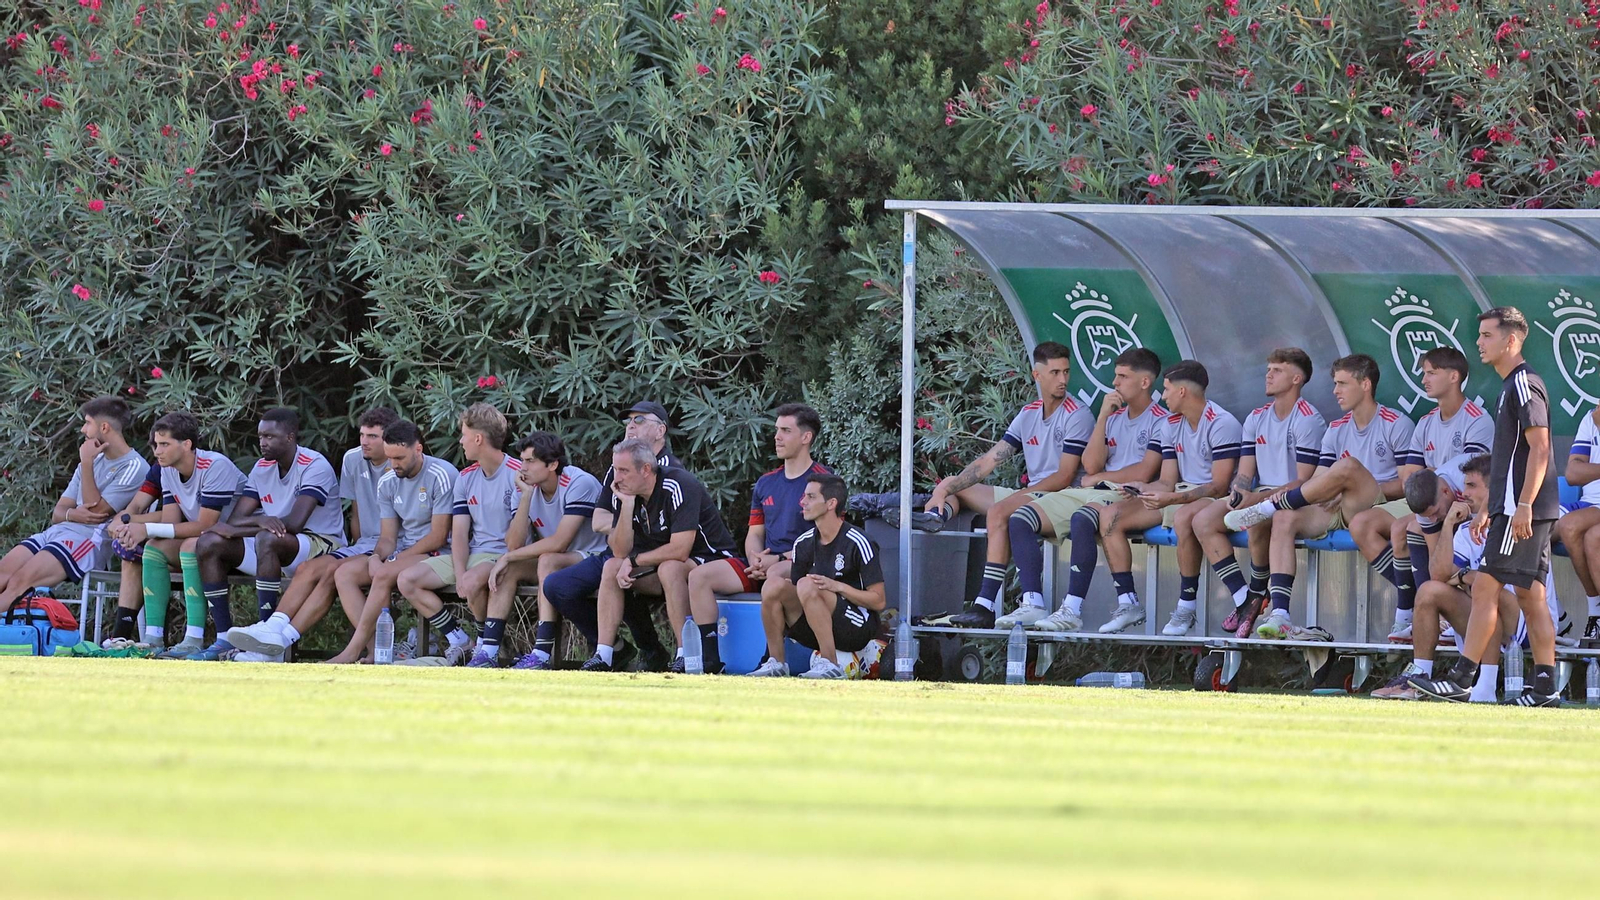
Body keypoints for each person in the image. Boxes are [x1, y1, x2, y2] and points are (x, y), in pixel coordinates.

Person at [1410, 307, 1563, 706]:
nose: (1478, 342)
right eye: (1479, 335)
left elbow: (1541, 448)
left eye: (1487, 335)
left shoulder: (1524, 384)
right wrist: (1486, 510)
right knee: (1531, 596)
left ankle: (1462, 678)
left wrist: (1522, 504)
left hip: (1520, 510)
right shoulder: (1509, 386)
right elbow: (1508, 460)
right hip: (1512, 508)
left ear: (1511, 340)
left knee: (1486, 586)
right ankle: (1545, 688)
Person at [957, 347, 1166, 630]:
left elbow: (1144, 472)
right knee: (1020, 519)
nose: (1115, 383)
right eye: (1116, 376)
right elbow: (1090, 465)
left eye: (1122, 376)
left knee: (1081, 519)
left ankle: (1072, 610)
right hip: (1090, 490)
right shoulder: (1113, 418)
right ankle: (1032, 604)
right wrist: (1103, 417)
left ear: (1144, 382)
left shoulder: (1160, 419)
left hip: (1123, 494)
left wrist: (1100, 476)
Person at [897, 343, 1093, 629]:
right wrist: (943, 490)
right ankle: (936, 516)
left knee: (1000, 511)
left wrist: (1017, 498)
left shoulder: (1078, 414)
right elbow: (990, 459)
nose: (1063, 379)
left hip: (1061, 497)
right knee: (955, 485)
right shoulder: (1029, 413)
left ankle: (988, 604)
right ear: (1037, 375)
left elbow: (1064, 477)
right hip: (1034, 494)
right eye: (1055, 372)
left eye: (1066, 372)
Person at [1037, 360, 1240, 634]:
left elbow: (1218, 486)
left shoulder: (1221, 422)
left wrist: (1169, 498)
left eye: (1167, 390)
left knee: (1183, 517)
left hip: (1209, 499)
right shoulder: (1170, 423)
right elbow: (1167, 481)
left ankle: (1186, 606)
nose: (1163, 396)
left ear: (1182, 392)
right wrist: (1142, 488)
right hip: (1179, 494)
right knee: (1110, 516)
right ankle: (1128, 602)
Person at [1223, 354, 1415, 641]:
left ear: (1365, 384)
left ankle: (1268, 505)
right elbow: (1318, 481)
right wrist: (1337, 487)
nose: (1335, 391)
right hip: (1342, 505)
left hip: (1379, 504)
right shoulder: (1336, 428)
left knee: (1348, 467)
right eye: (1335, 384)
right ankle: (1280, 614)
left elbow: (1406, 484)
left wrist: (1349, 484)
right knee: (1285, 518)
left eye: (1342, 384)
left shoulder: (1395, 423)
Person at [1372, 455, 1557, 701]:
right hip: (1487, 616)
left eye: (1471, 485)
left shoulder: (1515, 523)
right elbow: (1439, 575)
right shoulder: (1466, 528)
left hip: (1526, 624)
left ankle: (1485, 687)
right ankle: (1418, 677)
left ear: (1493, 490)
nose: (1464, 492)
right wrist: (1448, 524)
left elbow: (1494, 583)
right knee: (1429, 590)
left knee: (1487, 592)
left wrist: (1462, 577)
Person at [225, 407, 398, 660]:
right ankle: (273, 632)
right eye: (362, 435)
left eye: (372, 436)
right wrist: (357, 544)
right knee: (310, 569)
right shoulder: (353, 459)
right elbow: (357, 511)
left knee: (334, 572)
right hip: (365, 544)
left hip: (393, 545)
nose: (364, 441)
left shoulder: (401, 463)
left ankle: (279, 642)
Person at [1345, 347, 1492, 642]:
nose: (1424, 379)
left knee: (1407, 528)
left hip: (1464, 502)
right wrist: (1432, 477)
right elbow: (1409, 478)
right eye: (1424, 373)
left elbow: (1475, 477)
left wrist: (1433, 476)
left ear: (1454, 376)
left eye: (1431, 373)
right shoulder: (1425, 422)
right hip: (1429, 496)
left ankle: (1421, 611)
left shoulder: (1478, 419)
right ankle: (1417, 607)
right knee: (1361, 524)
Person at [180, 408, 345, 661]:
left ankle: (265, 638)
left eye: (270, 436)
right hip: (272, 547)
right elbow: (237, 519)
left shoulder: (314, 465)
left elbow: (295, 523)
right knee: (210, 542)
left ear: (290, 437)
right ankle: (223, 638)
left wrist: (243, 528)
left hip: (319, 545)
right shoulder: (261, 467)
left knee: (267, 538)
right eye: (260, 436)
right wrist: (259, 520)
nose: (263, 442)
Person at [560, 439, 738, 672]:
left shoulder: (677, 484)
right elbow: (619, 551)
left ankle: (685, 654)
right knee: (612, 566)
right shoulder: (624, 491)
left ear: (645, 469)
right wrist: (626, 506)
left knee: (670, 568)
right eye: (615, 470)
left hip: (710, 558)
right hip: (662, 565)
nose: (616, 478)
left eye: (624, 471)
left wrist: (634, 561)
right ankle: (604, 654)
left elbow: (680, 549)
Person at [1188, 349, 1326, 638]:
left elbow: (1305, 482)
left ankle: (1257, 591)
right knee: (1202, 521)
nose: (1268, 375)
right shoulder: (1256, 417)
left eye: (1277, 370)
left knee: (1259, 521)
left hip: (1293, 501)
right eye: (1268, 369)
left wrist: (1257, 499)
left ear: (1296, 379)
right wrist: (1239, 492)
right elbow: (1245, 473)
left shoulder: (1308, 419)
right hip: (1260, 496)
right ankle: (1244, 598)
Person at [687, 403, 830, 668]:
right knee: (698, 576)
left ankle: (770, 658)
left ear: (806, 437)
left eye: (785, 430)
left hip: (802, 565)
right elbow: (755, 533)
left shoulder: (824, 481)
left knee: (774, 575)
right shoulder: (766, 482)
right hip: (765, 564)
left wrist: (778, 560)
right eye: (777, 430)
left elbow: (828, 539)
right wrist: (755, 559)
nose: (777, 437)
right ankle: (710, 662)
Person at [540, 400, 680, 671]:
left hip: (653, 558)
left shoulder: (671, 471)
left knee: (621, 574)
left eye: (640, 420)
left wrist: (630, 528)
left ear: (660, 430)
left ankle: (651, 650)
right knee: (557, 586)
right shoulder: (618, 466)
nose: (631, 426)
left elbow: (665, 530)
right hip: (617, 550)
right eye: (629, 420)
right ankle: (616, 649)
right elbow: (599, 520)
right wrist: (625, 526)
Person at [389, 404, 520, 666]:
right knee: (407, 580)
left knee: (471, 581)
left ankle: (483, 645)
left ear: (478, 439)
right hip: (473, 555)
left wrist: (466, 577)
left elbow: (517, 540)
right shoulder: (465, 477)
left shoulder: (517, 473)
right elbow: (459, 533)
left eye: (464, 434)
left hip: (503, 556)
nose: (461, 441)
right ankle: (459, 638)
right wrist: (460, 572)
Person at [105, 412, 242, 657]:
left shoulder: (215, 465)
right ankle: (153, 638)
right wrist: (136, 530)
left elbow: (205, 525)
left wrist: (145, 528)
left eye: (165, 444)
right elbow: (171, 523)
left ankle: (193, 639)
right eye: (156, 444)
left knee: (189, 545)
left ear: (186, 444)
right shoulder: (167, 470)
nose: (157, 451)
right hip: (206, 544)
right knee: (154, 548)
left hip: (242, 544)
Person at [323, 420, 457, 665]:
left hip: (440, 552)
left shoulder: (441, 474)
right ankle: (378, 650)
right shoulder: (387, 482)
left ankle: (351, 651)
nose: (393, 464)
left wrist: (394, 560)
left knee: (384, 574)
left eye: (399, 458)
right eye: (389, 458)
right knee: (344, 574)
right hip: (405, 552)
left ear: (418, 449)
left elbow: (438, 536)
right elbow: (387, 538)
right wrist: (376, 557)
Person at [0, 397, 149, 610]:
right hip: (58, 532)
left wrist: (86, 463)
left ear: (104, 427)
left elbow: (95, 511)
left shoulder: (133, 466)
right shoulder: (91, 461)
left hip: (88, 540)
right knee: (3, 573)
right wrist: (72, 514)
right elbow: (58, 513)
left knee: (19, 583)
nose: (82, 430)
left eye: (87, 423)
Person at [481, 431, 606, 669]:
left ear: (552, 464)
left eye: (530, 461)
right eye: (521, 460)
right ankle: (487, 652)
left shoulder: (579, 483)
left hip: (594, 555)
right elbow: (514, 545)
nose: (522, 468)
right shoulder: (525, 488)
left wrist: (508, 556)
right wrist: (526, 497)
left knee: (547, 560)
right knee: (510, 568)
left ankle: (541, 653)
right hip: (559, 558)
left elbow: (559, 542)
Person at [748, 473, 885, 679]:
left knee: (808, 584)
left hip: (857, 628)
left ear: (831, 503)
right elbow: (797, 591)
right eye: (804, 496)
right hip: (815, 625)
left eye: (811, 497)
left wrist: (837, 587)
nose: (803, 502)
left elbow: (879, 601)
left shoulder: (859, 541)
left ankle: (830, 664)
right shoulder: (802, 543)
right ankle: (776, 662)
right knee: (773, 585)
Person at [1555, 405, 1600, 645]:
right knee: (1535, 529)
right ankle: (1557, 616)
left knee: (1576, 529)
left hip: (1593, 510)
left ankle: (1595, 612)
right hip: (1588, 503)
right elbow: (1572, 473)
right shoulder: (1591, 417)